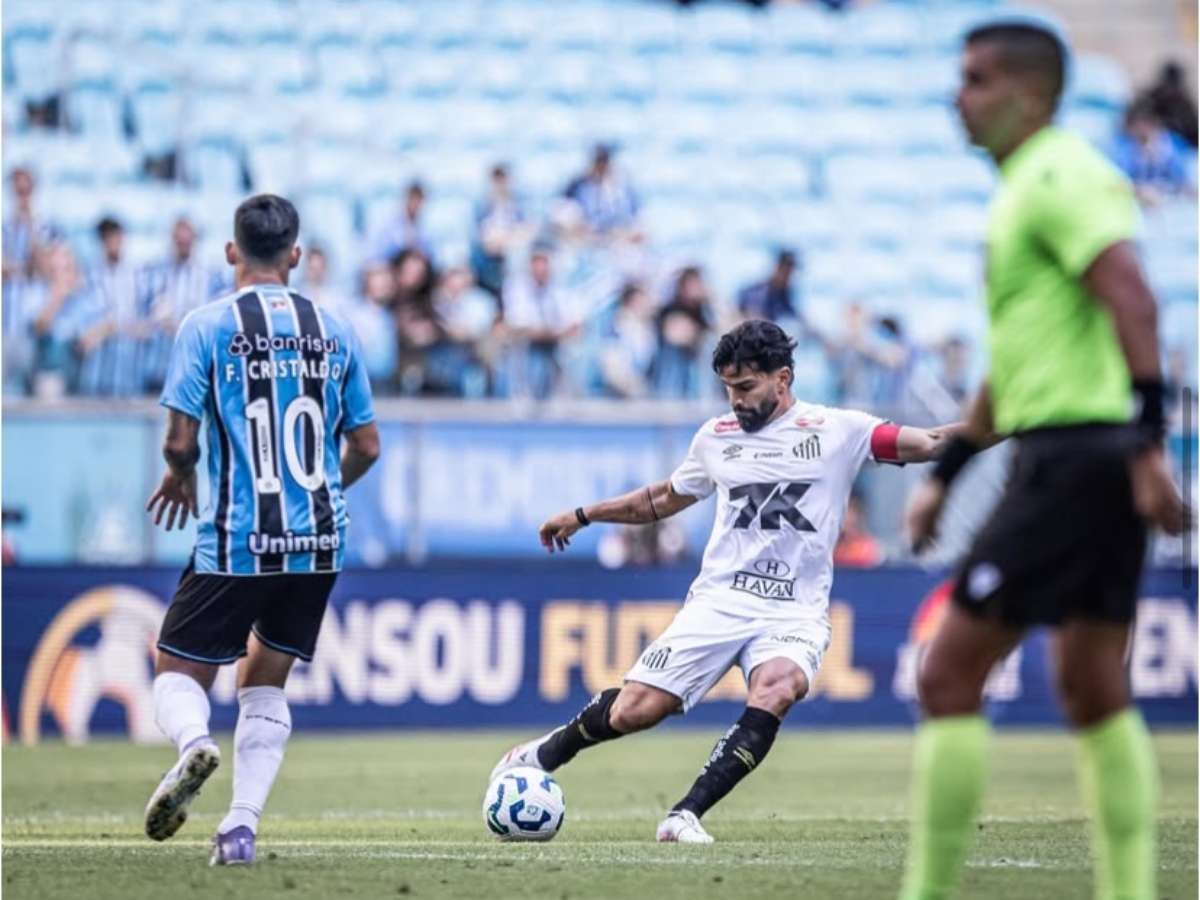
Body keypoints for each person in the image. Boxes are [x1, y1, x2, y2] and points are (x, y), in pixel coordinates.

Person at [899, 23, 1189, 900]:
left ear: (1029, 96)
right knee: (1091, 685)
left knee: (948, 672)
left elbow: (1134, 297)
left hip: (1074, 459)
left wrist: (1149, 445)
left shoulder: (1057, 176)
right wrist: (946, 474)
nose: (959, 97)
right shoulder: (1026, 186)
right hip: (1084, 457)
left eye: (976, 80)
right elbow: (1016, 365)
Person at [491, 319, 960, 843]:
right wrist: (584, 515)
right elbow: (661, 499)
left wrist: (1012, 420)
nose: (735, 400)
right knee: (634, 710)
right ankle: (545, 752)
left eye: (746, 387)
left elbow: (933, 442)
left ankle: (684, 814)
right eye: (728, 388)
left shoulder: (839, 431)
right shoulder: (716, 438)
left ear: (783, 379)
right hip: (720, 601)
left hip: (794, 610)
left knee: (779, 686)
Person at [141, 194, 380, 866]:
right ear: (295, 255)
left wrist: (179, 474)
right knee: (265, 683)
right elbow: (366, 445)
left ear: (231, 251)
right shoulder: (336, 329)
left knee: (177, 671)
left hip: (239, 537)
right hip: (318, 540)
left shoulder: (206, 325)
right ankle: (239, 830)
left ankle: (195, 744)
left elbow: (179, 439)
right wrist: (322, 491)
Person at [141, 217, 225, 392]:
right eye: (179, 240)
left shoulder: (208, 274)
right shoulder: (157, 271)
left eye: (187, 239)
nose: (183, 243)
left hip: (195, 365)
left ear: (194, 239)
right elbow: (148, 313)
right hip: (161, 364)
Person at [1109, 97, 1195, 204]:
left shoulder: (1170, 143)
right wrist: (1138, 190)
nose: (1145, 129)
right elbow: (1115, 183)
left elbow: (1182, 180)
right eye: (1140, 124)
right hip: (1134, 203)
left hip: (1166, 202)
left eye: (1150, 124)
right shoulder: (1122, 146)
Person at [736, 249, 801, 323]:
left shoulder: (783, 296)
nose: (789, 276)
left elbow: (793, 316)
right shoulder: (759, 293)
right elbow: (753, 314)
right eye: (787, 271)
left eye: (791, 271)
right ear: (778, 268)